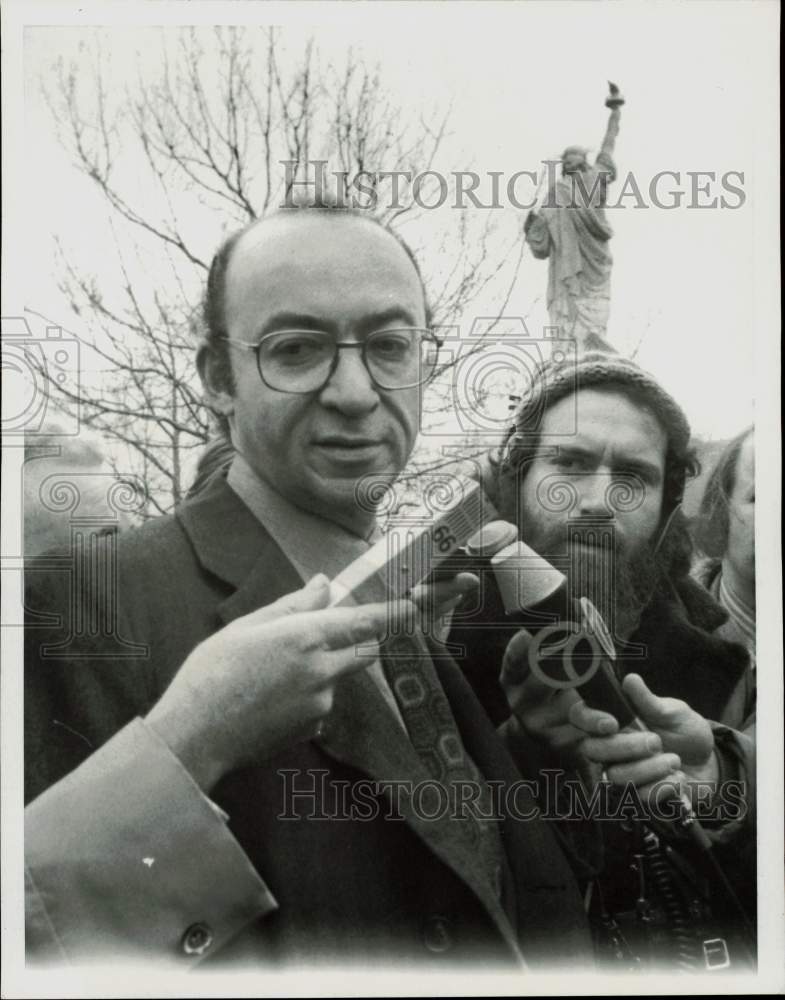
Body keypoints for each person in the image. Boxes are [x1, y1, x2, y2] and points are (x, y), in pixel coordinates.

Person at [24, 207, 594, 971]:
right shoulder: (78, 602)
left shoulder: (413, 591)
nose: (356, 392)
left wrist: (536, 750)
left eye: (391, 346)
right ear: (219, 379)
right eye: (296, 350)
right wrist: (190, 742)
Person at [448, 353, 756, 965]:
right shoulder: (429, 653)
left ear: (669, 508)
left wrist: (726, 791)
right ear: (514, 480)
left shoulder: (728, 673)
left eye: (634, 476)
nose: (597, 500)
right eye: (569, 462)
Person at [523, 104, 621, 354]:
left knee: (588, 321)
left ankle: (588, 346)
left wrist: (615, 112)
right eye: (565, 159)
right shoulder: (563, 189)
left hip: (588, 264)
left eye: (570, 158)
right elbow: (542, 243)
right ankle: (574, 351)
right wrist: (533, 226)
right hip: (571, 267)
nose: (567, 162)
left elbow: (609, 144)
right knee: (572, 322)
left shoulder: (587, 179)